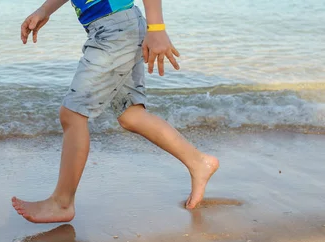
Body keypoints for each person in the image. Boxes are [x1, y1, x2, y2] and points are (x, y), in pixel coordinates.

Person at [11, 0, 220, 224]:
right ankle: (199, 162)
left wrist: (157, 28)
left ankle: (62, 203)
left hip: (116, 29)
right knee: (131, 115)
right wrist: (45, 9)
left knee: (72, 114)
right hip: (117, 27)